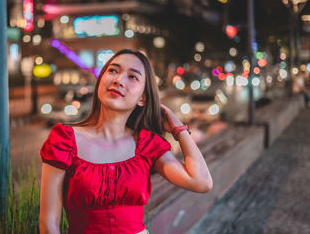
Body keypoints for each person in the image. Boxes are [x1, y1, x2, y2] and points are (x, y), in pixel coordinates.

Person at [39, 49, 213, 234]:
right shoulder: (64, 140)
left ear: (142, 98)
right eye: (113, 71)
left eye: (132, 77)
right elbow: (49, 224)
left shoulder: (147, 145)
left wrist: (179, 129)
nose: (119, 80)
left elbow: (201, 182)